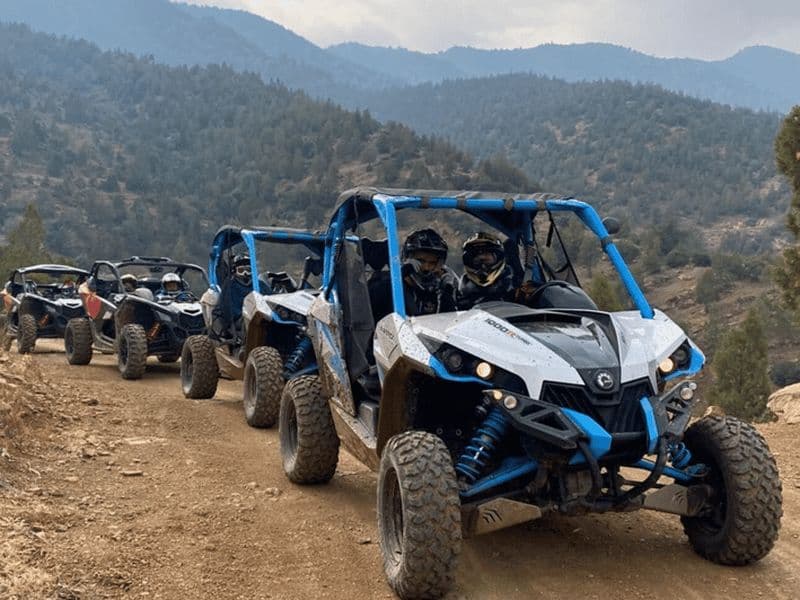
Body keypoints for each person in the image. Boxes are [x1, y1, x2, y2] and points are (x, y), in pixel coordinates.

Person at [401, 229, 457, 316]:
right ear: (407, 259)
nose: (426, 268)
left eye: (432, 263)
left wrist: (448, 293)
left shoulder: (437, 295)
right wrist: (399, 277)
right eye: (420, 261)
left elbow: (452, 324)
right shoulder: (390, 289)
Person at [457, 231, 515, 309]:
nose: (482, 263)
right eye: (476, 257)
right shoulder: (462, 286)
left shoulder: (514, 281)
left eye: (487, 256)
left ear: (498, 257)